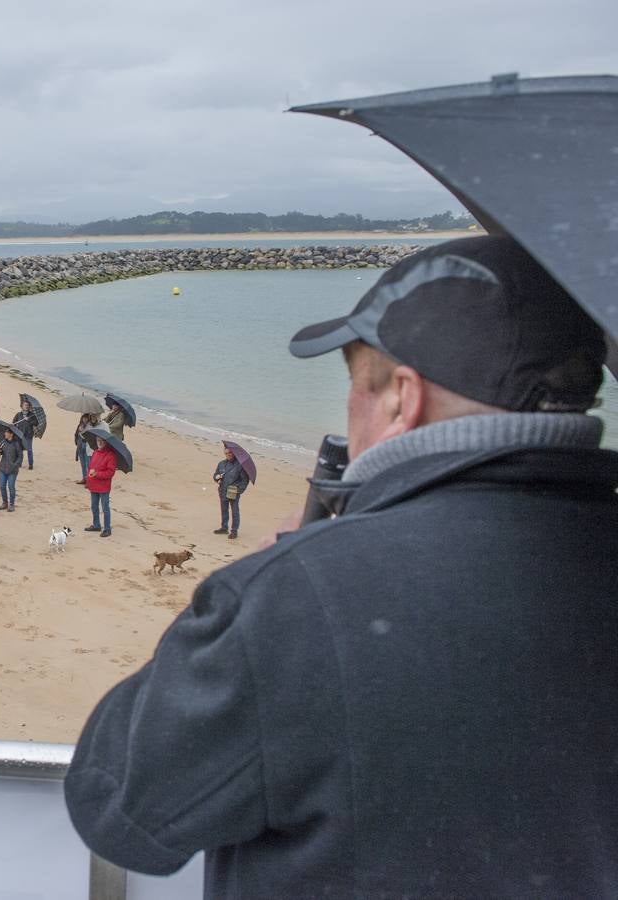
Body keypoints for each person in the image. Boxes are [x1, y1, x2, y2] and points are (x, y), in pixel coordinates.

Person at [64, 236, 618, 896]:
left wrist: (282, 577)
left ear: (400, 400)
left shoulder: (300, 597)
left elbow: (120, 806)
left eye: (354, 385)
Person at [212, 444, 250, 539]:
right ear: (224, 454)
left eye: (230, 453)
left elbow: (245, 481)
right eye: (226, 453)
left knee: (235, 511)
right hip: (222, 490)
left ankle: (234, 531)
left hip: (233, 492)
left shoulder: (240, 465)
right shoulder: (221, 464)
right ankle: (224, 528)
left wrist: (238, 490)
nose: (228, 454)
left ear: (234, 453)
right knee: (224, 510)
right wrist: (217, 478)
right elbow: (215, 475)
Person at [84, 436, 117, 537]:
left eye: (102, 441)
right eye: (98, 440)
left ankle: (107, 529)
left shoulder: (111, 455)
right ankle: (96, 525)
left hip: (103, 487)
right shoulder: (95, 452)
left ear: (106, 442)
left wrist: (97, 474)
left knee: (105, 508)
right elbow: (90, 468)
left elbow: (110, 473)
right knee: (94, 506)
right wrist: (88, 480)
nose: (100, 442)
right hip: (93, 485)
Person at [0, 427, 23, 511]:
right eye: (5, 433)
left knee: (11, 487)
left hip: (12, 470)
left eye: (7, 433)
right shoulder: (3, 442)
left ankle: (11, 504)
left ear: (11, 434)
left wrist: (15, 465)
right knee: (2, 486)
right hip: (3, 468)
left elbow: (20, 456)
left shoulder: (17, 444)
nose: (5, 434)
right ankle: (4, 503)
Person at [13, 399, 39, 469]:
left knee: (29, 450)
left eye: (28, 405)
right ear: (22, 406)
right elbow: (14, 423)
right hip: (19, 435)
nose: (26, 406)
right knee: (20, 450)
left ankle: (31, 464)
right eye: (25, 405)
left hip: (28, 435)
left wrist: (29, 420)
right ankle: (19, 463)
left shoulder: (32, 415)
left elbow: (36, 423)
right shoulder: (18, 415)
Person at [74, 412, 98, 484]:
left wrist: (82, 432)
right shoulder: (80, 425)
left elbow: (89, 437)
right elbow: (76, 434)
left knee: (89, 465)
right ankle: (84, 478)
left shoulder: (90, 426)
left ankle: (89, 480)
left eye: (86, 418)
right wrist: (76, 441)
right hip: (80, 446)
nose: (85, 419)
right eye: (84, 417)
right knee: (83, 464)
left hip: (87, 446)